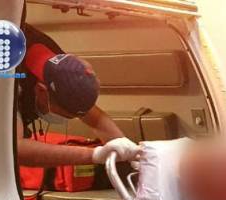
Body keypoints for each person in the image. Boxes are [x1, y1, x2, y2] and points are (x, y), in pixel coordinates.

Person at [16, 23, 138, 167]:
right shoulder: (5, 78)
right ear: (42, 91)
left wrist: (130, 152)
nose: (67, 119)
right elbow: (16, 149)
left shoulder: (64, 69)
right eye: (64, 115)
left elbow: (95, 119)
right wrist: (95, 155)